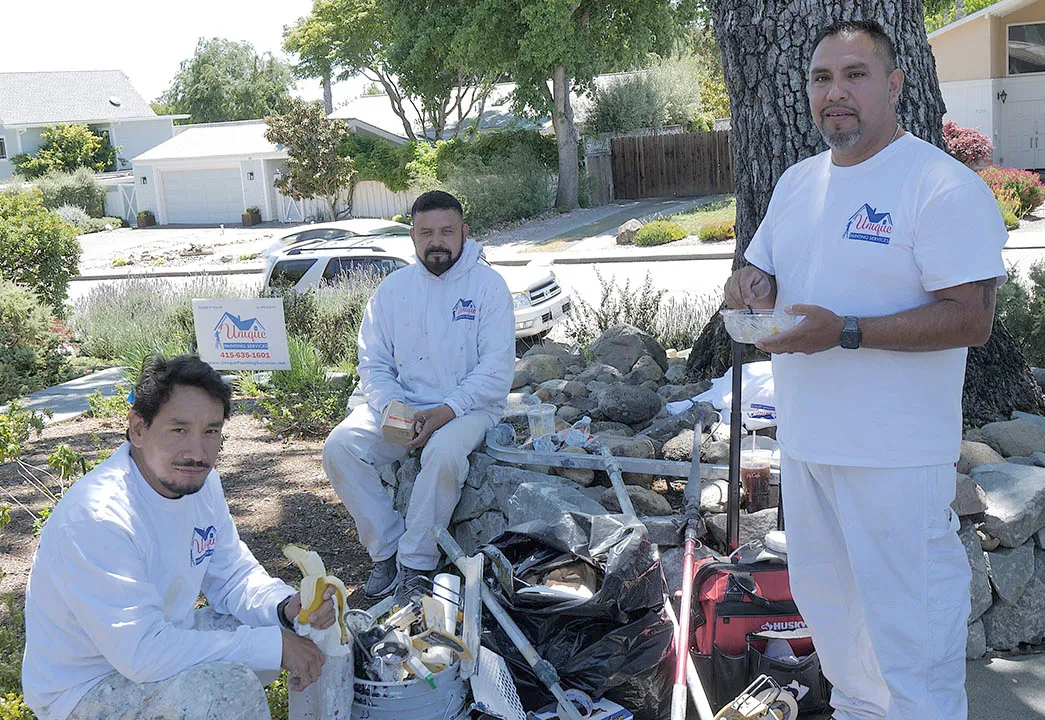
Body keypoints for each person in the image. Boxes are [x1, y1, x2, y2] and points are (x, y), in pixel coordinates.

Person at [723, 20, 1006, 720]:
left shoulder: (938, 185)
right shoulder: (797, 182)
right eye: (821, 78)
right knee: (842, 648)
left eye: (854, 75)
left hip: (895, 461)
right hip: (810, 447)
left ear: (894, 84)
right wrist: (748, 288)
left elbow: (970, 319)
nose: (834, 93)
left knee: (910, 652)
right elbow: (759, 269)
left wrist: (844, 332)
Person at [22, 355, 335, 720]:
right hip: (85, 690)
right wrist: (272, 645)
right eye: (179, 430)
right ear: (137, 429)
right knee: (230, 687)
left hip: (160, 640)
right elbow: (142, 654)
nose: (197, 452)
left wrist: (284, 608)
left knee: (289, 629)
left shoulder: (200, 484)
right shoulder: (98, 516)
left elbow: (232, 574)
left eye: (211, 432)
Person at [323, 190, 515, 601]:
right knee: (340, 447)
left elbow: (496, 369)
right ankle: (387, 552)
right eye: (426, 232)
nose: (437, 241)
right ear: (412, 237)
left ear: (465, 233)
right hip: (402, 407)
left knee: (443, 454)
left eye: (447, 231)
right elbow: (373, 362)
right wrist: (397, 408)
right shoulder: (393, 290)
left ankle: (417, 564)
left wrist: (446, 411)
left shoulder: (489, 287)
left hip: (468, 410)